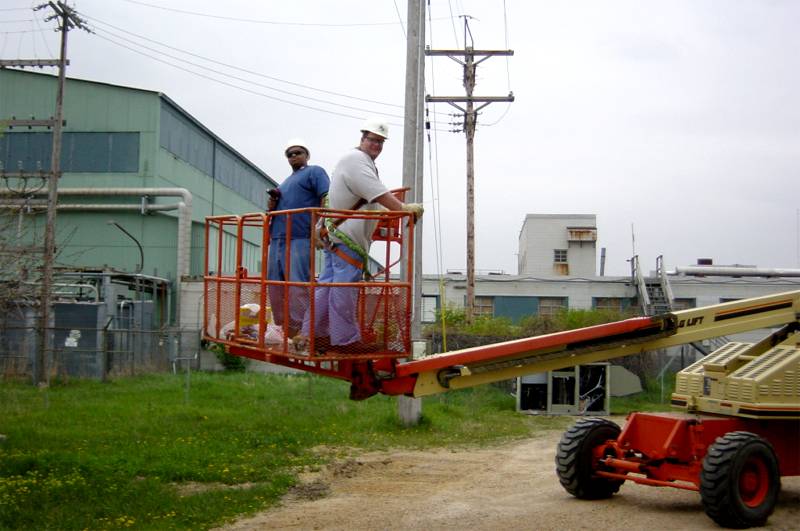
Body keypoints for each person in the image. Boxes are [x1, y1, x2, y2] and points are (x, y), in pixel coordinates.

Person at [297, 119, 423, 353]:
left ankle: (312, 335)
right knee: (344, 289)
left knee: (327, 287)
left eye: (380, 141)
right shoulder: (356, 161)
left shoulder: (359, 162)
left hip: (337, 235)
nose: (376, 145)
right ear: (362, 138)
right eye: (373, 139)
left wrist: (390, 210)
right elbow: (377, 192)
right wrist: (402, 208)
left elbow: (368, 200)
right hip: (346, 239)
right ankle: (345, 341)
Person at [267, 139, 330, 339]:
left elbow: (326, 197)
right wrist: (272, 203)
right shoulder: (284, 183)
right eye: (290, 154)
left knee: (297, 285)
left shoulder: (315, 172)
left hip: (299, 236)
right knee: (275, 285)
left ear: (307, 155)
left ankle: (303, 332)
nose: (294, 156)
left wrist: (320, 226)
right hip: (277, 238)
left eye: (298, 152)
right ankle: (283, 329)